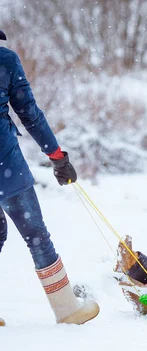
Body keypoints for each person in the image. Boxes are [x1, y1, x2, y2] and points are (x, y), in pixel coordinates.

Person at [0, 30, 99, 325]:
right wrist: (57, 157)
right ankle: (68, 310)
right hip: (5, 165)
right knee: (36, 235)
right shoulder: (5, 60)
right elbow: (29, 113)